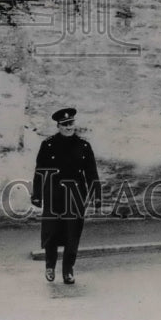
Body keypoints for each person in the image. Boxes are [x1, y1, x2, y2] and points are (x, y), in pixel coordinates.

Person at [31, 107, 101, 285]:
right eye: (65, 125)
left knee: (73, 234)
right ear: (59, 126)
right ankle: (50, 266)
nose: (69, 127)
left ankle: (68, 270)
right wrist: (37, 195)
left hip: (76, 196)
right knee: (51, 232)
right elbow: (40, 172)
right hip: (54, 195)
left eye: (71, 124)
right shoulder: (48, 145)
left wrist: (96, 196)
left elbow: (92, 173)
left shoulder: (84, 146)